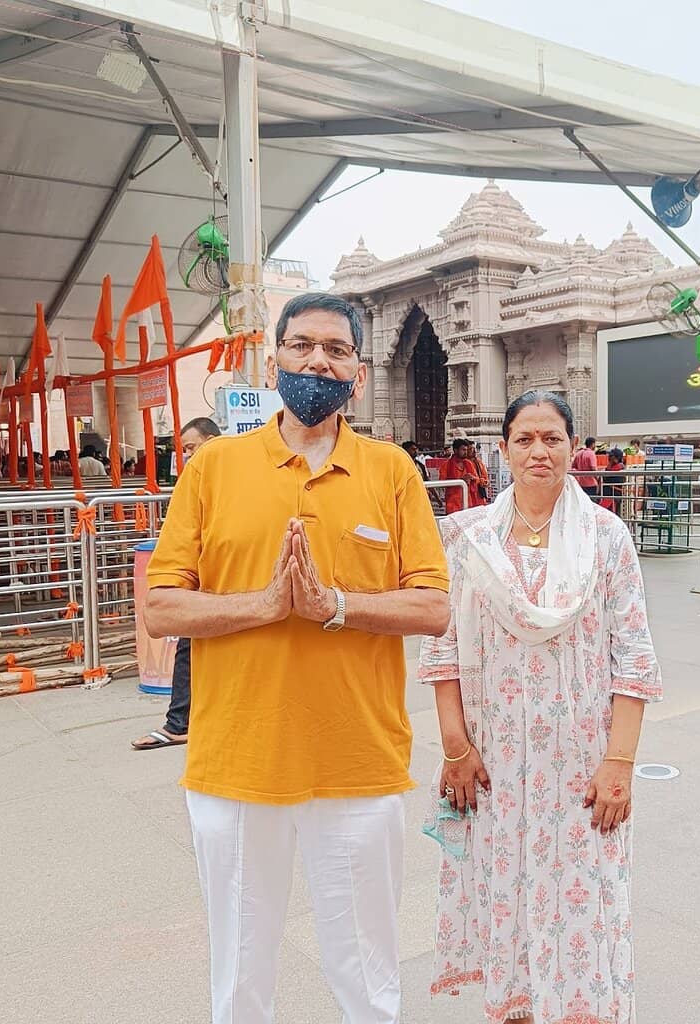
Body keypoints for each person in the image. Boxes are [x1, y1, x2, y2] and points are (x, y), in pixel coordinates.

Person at [143, 292, 449, 1024]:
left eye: (337, 349)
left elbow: (434, 607)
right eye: (303, 345)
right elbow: (160, 607)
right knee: (242, 972)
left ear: (360, 373)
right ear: (274, 358)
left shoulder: (391, 472)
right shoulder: (214, 467)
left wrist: (335, 605)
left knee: (367, 971)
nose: (318, 359)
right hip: (237, 764)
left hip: (358, 763)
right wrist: (265, 605)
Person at [418, 390, 661, 1024]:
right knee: (510, 899)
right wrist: (455, 749)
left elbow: (632, 658)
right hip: (494, 763)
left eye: (552, 438)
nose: (538, 452)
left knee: (582, 903)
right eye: (524, 439)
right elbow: (442, 652)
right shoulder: (470, 539)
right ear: (503, 450)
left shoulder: (607, 538)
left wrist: (620, 764)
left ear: (574, 448)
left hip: (579, 765)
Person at [131, 416, 221, 752]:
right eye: (184, 450)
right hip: (199, 578)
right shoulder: (196, 479)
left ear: (212, 440)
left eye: (191, 447)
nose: (187, 455)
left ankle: (181, 722)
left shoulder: (233, 474)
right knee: (189, 643)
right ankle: (180, 722)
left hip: (225, 578)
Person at [441, 437, 478, 515]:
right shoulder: (446, 465)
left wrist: (472, 478)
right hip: (453, 504)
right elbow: (442, 482)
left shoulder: (468, 463)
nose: (466, 452)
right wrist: (460, 480)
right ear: (455, 450)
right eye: (463, 450)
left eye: (466, 450)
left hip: (468, 501)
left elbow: (476, 478)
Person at [571, 434, 599, 501]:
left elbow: (574, 466)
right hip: (591, 484)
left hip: (581, 483)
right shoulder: (591, 453)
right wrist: (598, 478)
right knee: (592, 503)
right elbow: (593, 468)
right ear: (592, 444)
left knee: (583, 502)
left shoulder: (579, 453)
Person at [601, 446, 627, 515]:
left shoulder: (619, 468)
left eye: (611, 456)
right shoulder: (613, 467)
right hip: (609, 496)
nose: (609, 457)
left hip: (613, 496)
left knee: (613, 514)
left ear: (616, 458)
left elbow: (607, 478)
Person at [466, 440, 490, 506]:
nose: (474, 451)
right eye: (471, 449)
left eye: (475, 448)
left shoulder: (479, 462)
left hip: (480, 496)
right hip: (470, 497)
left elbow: (485, 476)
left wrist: (486, 482)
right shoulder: (464, 463)